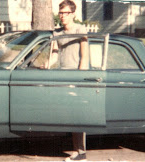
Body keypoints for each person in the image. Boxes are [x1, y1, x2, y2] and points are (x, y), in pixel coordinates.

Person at [51, 0, 89, 161]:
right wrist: (45, 67)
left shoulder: (81, 30)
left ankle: (80, 152)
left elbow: (85, 56)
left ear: (73, 14)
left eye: (65, 13)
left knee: (77, 113)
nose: (62, 16)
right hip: (62, 76)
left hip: (77, 75)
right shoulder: (56, 32)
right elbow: (53, 54)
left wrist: (80, 79)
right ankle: (76, 149)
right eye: (60, 13)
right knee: (67, 113)